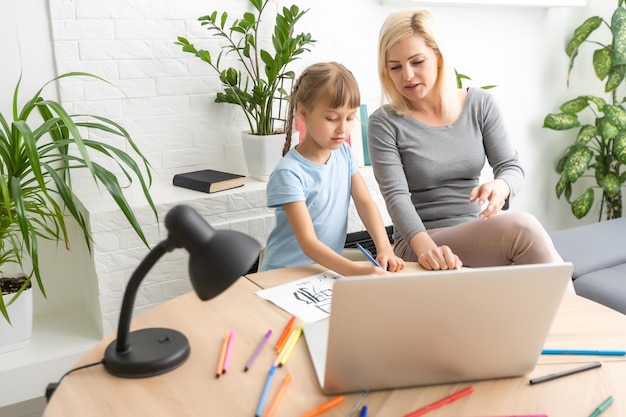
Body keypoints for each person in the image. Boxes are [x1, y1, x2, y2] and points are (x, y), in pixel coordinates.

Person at [368, 9, 564, 271]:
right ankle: (578, 311)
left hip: (474, 233)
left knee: (526, 246)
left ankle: (568, 310)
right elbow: (396, 197)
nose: (407, 76)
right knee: (523, 230)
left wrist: (502, 185)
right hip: (418, 241)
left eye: (417, 62)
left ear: (438, 58)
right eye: (395, 67)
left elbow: (511, 166)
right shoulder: (384, 122)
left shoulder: (479, 104)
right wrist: (426, 248)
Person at [259, 62, 405, 275]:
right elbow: (308, 243)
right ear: (303, 112)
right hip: (283, 273)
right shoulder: (289, 174)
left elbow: (365, 203)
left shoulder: (344, 154)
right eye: (331, 118)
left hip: (321, 272)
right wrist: (357, 272)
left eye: (349, 117)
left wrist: (384, 248)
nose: (343, 128)